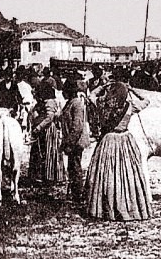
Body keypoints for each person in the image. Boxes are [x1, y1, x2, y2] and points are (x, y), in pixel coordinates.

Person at [85, 69, 151, 220]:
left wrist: (104, 86)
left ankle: (106, 209)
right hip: (125, 140)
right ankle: (129, 207)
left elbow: (91, 96)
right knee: (128, 174)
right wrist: (132, 89)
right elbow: (146, 101)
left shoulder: (102, 103)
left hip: (108, 140)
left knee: (106, 175)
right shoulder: (130, 106)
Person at [28, 68, 65, 185]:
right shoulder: (43, 102)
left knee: (50, 153)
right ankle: (42, 175)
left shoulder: (50, 102)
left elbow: (49, 118)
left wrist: (39, 127)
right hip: (43, 130)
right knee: (42, 153)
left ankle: (51, 177)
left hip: (48, 130)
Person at [58, 79, 90, 202]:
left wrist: (69, 143)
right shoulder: (70, 103)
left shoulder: (76, 104)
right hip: (72, 140)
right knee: (72, 166)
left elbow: (77, 127)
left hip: (76, 141)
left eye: (65, 91)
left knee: (75, 167)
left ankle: (78, 195)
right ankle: (74, 192)